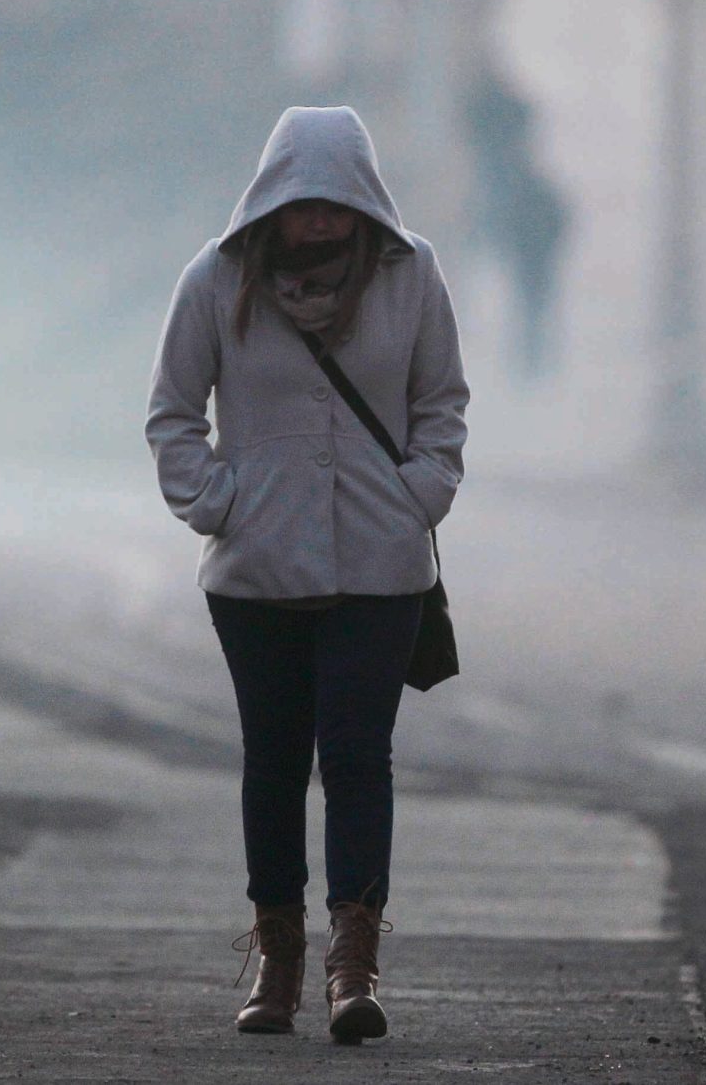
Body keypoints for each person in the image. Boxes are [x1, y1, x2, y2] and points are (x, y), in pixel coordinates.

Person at [146, 106, 470, 1043]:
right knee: (275, 760)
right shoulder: (216, 277)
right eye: (303, 204)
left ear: (361, 198)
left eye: (335, 203)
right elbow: (172, 411)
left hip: (382, 562)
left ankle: (352, 968)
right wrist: (217, 501)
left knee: (359, 756)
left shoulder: (413, 274)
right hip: (255, 569)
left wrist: (422, 491)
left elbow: (440, 399)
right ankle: (279, 962)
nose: (320, 221)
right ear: (273, 201)